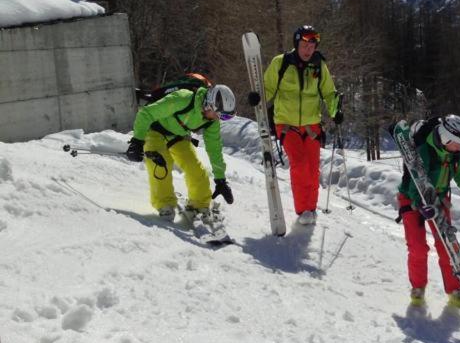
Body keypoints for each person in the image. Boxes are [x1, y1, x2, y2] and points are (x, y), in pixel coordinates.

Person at [249, 25, 342, 226]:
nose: (308, 50)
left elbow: (329, 93)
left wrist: (336, 111)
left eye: (312, 45)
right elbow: (267, 87)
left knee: (312, 169)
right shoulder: (281, 63)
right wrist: (258, 97)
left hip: (312, 126)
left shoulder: (318, 66)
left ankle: (311, 208)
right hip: (286, 124)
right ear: (296, 44)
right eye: (304, 45)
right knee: (299, 165)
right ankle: (302, 210)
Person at [397, 114, 460, 308]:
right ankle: (418, 287)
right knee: (418, 247)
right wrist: (420, 204)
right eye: (457, 143)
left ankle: (454, 289)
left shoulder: (457, 151)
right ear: (446, 138)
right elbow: (414, 180)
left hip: (439, 199)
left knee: (447, 247)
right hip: (412, 199)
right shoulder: (423, 150)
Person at [126, 83, 236, 221]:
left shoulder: (211, 121)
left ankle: (200, 205)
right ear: (209, 104)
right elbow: (146, 113)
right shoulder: (183, 99)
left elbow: (214, 149)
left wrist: (220, 179)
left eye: (224, 117)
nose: (218, 119)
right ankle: (164, 204)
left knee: (195, 169)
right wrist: (137, 141)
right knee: (160, 165)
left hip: (177, 135)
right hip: (155, 130)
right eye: (219, 115)